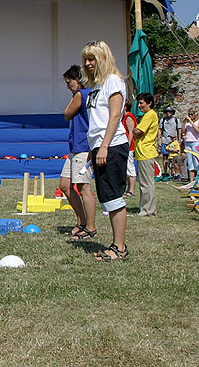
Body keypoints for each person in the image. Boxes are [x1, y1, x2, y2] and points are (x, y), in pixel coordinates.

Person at [81, 40, 129, 261]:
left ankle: (119, 248)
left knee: (113, 196)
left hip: (112, 145)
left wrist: (105, 146)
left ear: (103, 58)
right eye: (86, 60)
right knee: (107, 197)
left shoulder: (113, 81)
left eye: (92, 59)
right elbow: (97, 122)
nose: (88, 63)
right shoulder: (97, 86)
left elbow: (115, 116)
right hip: (100, 145)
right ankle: (116, 244)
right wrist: (94, 147)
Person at [58, 65, 97, 241]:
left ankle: (91, 227)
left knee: (83, 187)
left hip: (83, 147)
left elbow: (66, 114)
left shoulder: (82, 94)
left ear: (78, 80)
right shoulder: (81, 95)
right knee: (65, 185)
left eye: (69, 82)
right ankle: (82, 221)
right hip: (74, 147)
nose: (68, 86)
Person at [132, 93, 158, 217]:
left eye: (142, 103)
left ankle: (148, 210)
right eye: (139, 103)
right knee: (144, 183)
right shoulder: (147, 116)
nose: (139, 105)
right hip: (143, 153)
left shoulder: (149, 115)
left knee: (146, 184)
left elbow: (138, 131)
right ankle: (145, 208)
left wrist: (134, 130)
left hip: (146, 152)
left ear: (149, 103)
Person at [158, 106, 181, 180]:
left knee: (173, 158)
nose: (168, 113)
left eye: (170, 112)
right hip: (165, 140)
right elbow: (160, 130)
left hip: (173, 141)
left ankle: (173, 173)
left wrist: (179, 140)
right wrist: (159, 139)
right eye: (167, 112)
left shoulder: (176, 120)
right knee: (165, 157)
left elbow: (179, 130)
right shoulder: (163, 120)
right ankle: (165, 172)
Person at [122, 100, 138, 197]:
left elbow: (131, 131)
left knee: (130, 166)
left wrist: (128, 145)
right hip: (126, 144)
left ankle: (131, 190)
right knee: (127, 167)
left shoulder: (129, 117)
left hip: (129, 146)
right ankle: (128, 189)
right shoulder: (124, 117)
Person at [183, 108, 199, 184]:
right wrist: (184, 123)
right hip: (187, 142)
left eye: (191, 114)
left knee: (196, 162)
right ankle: (191, 181)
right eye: (189, 114)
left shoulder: (197, 122)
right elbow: (183, 131)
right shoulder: (187, 123)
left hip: (195, 142)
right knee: (190, 162)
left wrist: (191, 121)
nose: (190, 116)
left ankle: (197, 180)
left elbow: (197, 130)